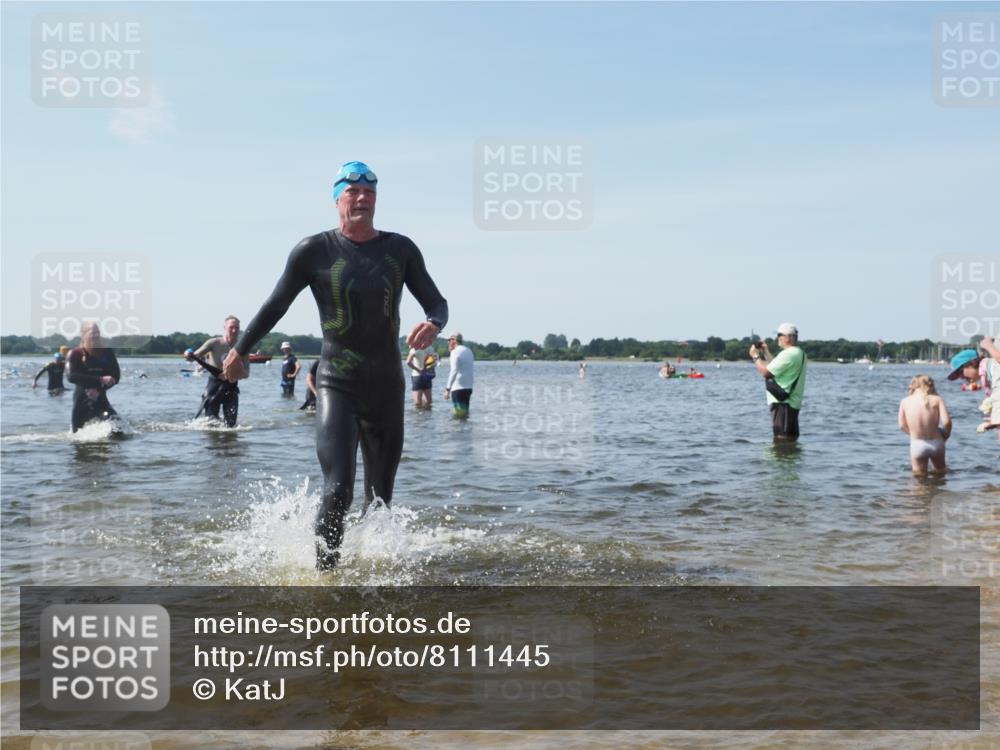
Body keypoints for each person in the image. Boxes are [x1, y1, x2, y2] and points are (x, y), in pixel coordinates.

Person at [222, 161, 448, 569]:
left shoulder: (401, 250)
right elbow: (275, 305)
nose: (362, 200)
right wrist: (240, 349)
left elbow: (437, 301)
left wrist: (434, 324)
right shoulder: (314, 250)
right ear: (337, 200)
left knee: (380, 496)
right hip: (336, 383)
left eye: (370, 193)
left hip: (386, 385)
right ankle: (327, 577)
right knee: (338, 487)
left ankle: (372, 567)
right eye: (352, 193)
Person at [185, 316, 248, 427]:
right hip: (213, 386)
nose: (234, 330)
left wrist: (231, 373)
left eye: (237, 328)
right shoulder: (214, 343)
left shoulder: (243, 347)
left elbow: (246, 373)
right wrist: (188, 355)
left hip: (231, 387)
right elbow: (194, 356)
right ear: (225, 327)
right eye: (231, 327)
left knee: (231, 426)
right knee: (210, 423)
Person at [749, 322, 807, 441]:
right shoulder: (800, 353)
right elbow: (776, 366)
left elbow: (766, 372)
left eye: (779, 335)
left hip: (783, 404)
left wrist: (755, 356)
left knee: (781, 440)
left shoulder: (788, 354)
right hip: (792, 404)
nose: (777, 338)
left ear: (787, 337)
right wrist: (765, 352)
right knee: (790, 441)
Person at [66, 321, 121, 432]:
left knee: (118, 429)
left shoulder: (107, 352)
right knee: (77, 438)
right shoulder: (75, 353)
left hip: (100, 401)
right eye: (92, 333)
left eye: (97, 332)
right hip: (81, 403)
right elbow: (71, 376)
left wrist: (99, 389)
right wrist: (100, 380)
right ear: (83, 334)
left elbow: (116, 376)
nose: (96, 336)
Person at [898, 375, 952, 475]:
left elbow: (901, 425)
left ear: (913, 386)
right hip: (937, 443)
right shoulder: (937, 399)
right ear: (930, 385)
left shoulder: (905, 401)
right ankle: (940, 490)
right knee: (941, 473)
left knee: (919, 478)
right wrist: (946, 435)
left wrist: (913, 434)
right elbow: (946, 422)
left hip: (917, 443)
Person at [948, 338, 1000, 437]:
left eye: (960, 372)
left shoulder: (991, 365)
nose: (961, 378)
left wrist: (987, 345)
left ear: (971, 363)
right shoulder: (988, 373)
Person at [443, 332, 474, 417]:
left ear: (454, 340)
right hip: (468, 387)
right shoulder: (468, 350)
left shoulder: (455, 352)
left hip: (458, 388)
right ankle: (466, 430)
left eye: (449, 340)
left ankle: (458, 431)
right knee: (465, 414)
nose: (448, 343)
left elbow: (454, 371)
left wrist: (447, 389)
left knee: (458, 416)